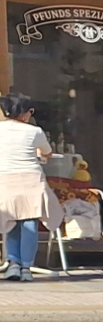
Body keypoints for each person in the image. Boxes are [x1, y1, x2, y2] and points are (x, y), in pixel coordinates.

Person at [0, 94, 52, 283]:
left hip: (4, 178)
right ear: (25, 113)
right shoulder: (35, 131)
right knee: (29, 221)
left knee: (10, 221)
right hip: (30, 178)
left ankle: (13, 263)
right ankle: (26, 267)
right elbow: (47, 152)